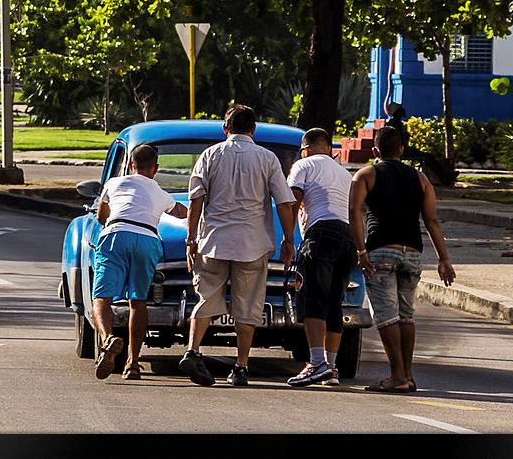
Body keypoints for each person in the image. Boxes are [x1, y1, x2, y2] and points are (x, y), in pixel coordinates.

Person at [180, 105, 295, 387]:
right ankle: (241, 366)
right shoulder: (267, 158)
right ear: (253, 129)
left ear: (225, 129)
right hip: (252, 244)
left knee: (206, 298)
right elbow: (284, 201)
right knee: (247, 306)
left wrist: (191, 238)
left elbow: (196, 199)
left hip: (215, 241)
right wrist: (289, 239)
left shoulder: (210, 155)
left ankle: (193, 351)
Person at [349, 125, 456, 393]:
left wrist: (361, 251)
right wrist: (444, 259)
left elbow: (355, 212)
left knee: (387, 318)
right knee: (406, 317)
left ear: (375, 150)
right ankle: (407, 375)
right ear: (401, 149)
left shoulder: (365, 175)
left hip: (381, 250)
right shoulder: (421, 179)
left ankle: (397, 376)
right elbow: (431, 220)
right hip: (413, 253)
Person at [93, 144, 188, 380]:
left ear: (131, 166)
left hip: (115, 234)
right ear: (155, 168)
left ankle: (107, 341)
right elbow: (180, 212)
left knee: (102, 298)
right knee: (138, 301)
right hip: (147, 238)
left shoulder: (114, 183)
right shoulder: (159, 192)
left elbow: (101, 215)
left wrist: (110, 224)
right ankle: (133, 364)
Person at [285, 128, 356, 387]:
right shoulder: (344, 173)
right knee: (334, 303)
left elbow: (293, 200)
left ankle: (316, 362)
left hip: (321, 233)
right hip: (346, 237)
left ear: (306, 149)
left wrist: (287, 239)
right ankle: (331, 367)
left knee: (312, 298)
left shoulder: (303, 165)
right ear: (329, 149)